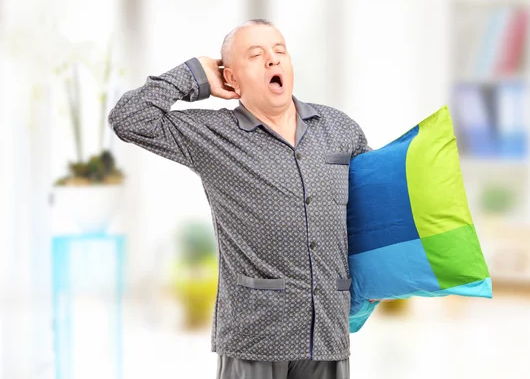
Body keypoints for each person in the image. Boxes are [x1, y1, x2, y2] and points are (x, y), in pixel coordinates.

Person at [108, 19, 377, 379]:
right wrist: (195, 74)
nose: (272, 60)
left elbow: (374, 206)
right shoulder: (214, 134)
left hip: (327, 332)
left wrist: (377, 279)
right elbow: (128, 119)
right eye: (256, 55)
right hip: (255, 336)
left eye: (280, 51)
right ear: (231, 79)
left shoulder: (340, 128)